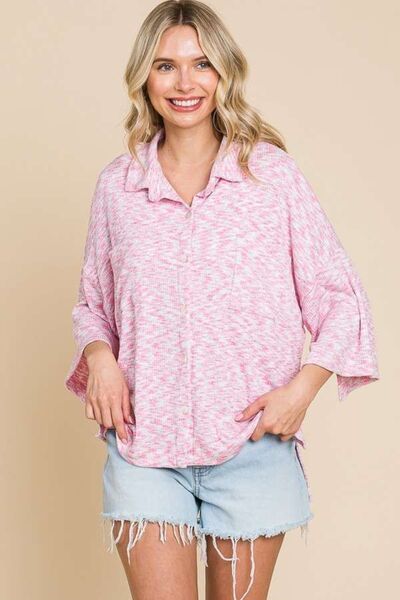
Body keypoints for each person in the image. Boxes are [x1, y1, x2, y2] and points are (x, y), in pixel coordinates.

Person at [64, 1, 380, 599]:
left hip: (252, 446)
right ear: (144, 77)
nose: (184, 83)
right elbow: (93, 304)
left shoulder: (272, 177)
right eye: (166, 66)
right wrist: (100, 357)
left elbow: (340, 297)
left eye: (201, 64)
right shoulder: (118, 186)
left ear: (224, 72)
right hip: (145, 446)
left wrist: (301, 391)